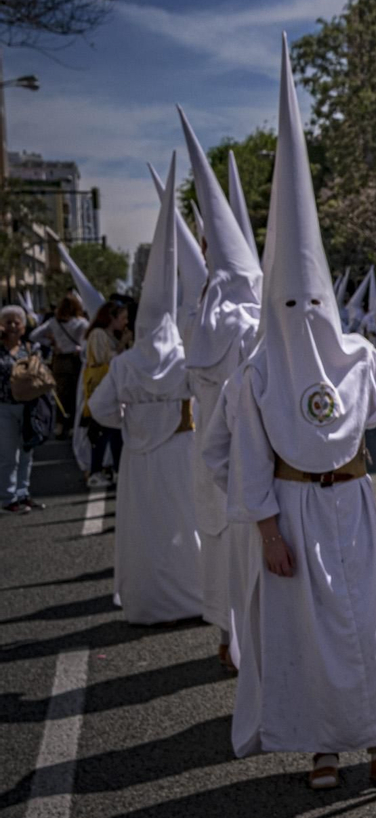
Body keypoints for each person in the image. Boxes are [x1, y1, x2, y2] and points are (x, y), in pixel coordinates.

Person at [208, 38, 376, 792]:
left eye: (315, 301)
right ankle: (322, 750)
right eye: (292, 302)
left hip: (355, 507)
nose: (306, 314)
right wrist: (267, 527)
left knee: (370, 631)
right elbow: (241, 456)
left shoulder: (358, 356)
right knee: (308, 640)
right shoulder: (257, 374)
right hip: (296, 516)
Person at [88, 155, 204, 626]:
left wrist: (131, 423)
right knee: (184, 521)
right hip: (180, 450)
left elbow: (98, 409)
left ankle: (148, 601)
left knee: (144, 527)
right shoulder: (183, 359)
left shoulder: (126, 362)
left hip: (138, 455)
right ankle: (193, 595)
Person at [178, 105, 263, 673]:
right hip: (242, 446)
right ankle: (248, 638)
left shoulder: (198, 317)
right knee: (246, 546)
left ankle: (229, 634)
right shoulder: (248, 315)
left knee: (224, 544)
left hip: (212, 445)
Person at [82, 302, 128, 487]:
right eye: (122, 317)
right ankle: (95, 471)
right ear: (111, 317)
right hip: (101, 386)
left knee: (114, 431)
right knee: (102, 432)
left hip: (111, 387)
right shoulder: (98, 334)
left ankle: (116, 469)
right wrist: (122, 345)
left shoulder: (110, 335)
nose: (125, 322)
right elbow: (104, 359)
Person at [0, 305, 40, 513]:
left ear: (24, 327)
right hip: (4, 406)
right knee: (8, 455)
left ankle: (23, 493)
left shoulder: (30, 349)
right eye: (8, 322)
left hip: (27, 407)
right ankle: (8, 498)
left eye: (17, 322)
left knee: (26, 452)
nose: (13, 326)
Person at [30, 292, 88, 436]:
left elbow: (34, 335)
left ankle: (61, 425)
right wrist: (79, 348)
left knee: (61, 394)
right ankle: (75, 425)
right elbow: (86, 342)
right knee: (76, 393)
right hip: (76, 360)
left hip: (60, 360)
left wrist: (51, 343)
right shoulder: (81, 323)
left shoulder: (54, 322)